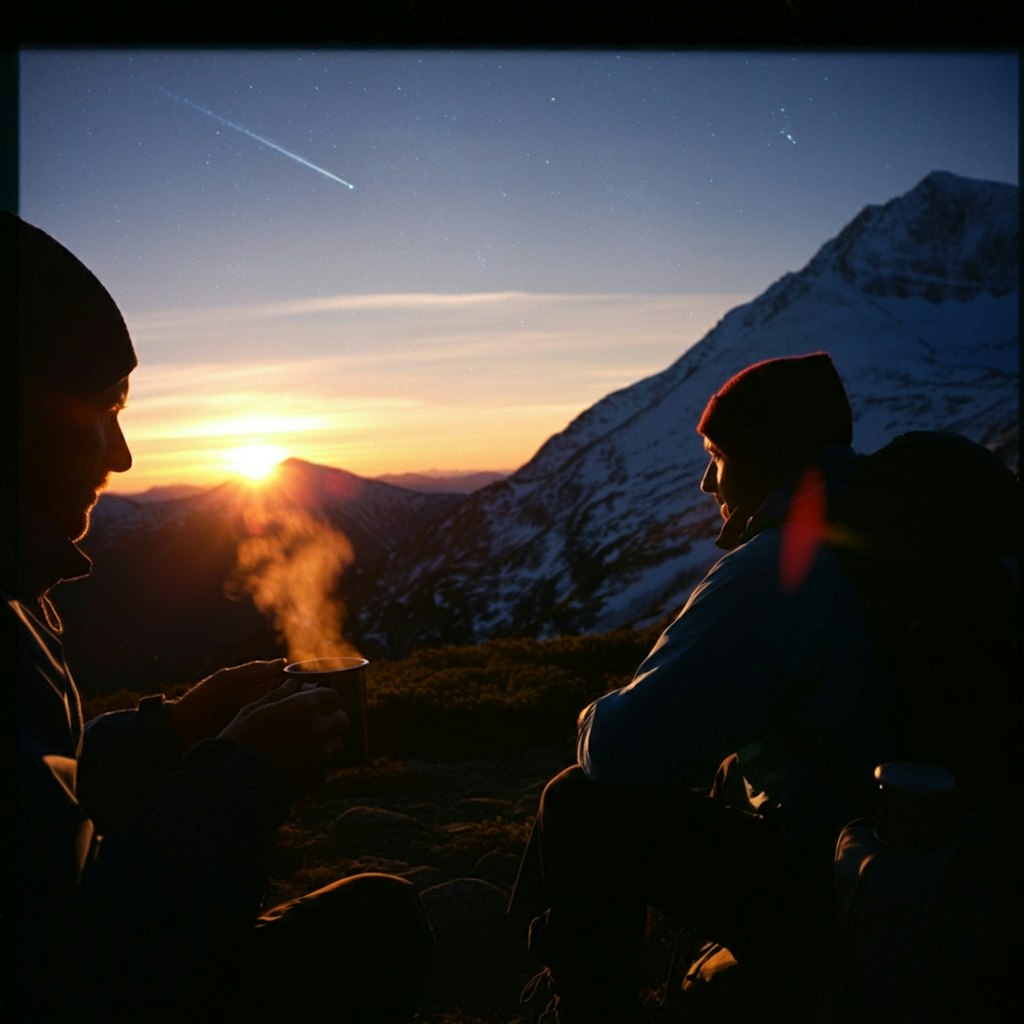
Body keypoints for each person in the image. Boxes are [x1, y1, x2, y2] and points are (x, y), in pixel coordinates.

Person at [6, 211, 433, 1021]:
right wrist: (240, 776)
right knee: (376, 931)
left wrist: (172, 731)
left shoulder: (21, 590)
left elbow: (37, 808)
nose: (124, 455)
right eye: (105, 408)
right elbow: (81, 958)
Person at [509, 352, 897, 1022]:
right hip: (912, 856)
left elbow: (622, 751)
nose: (704, 481)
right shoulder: (879, 528)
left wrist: (592, 716)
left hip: (835, 878)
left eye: (717, 455)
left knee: (580, 803)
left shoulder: (779, 566)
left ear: (765, 455)